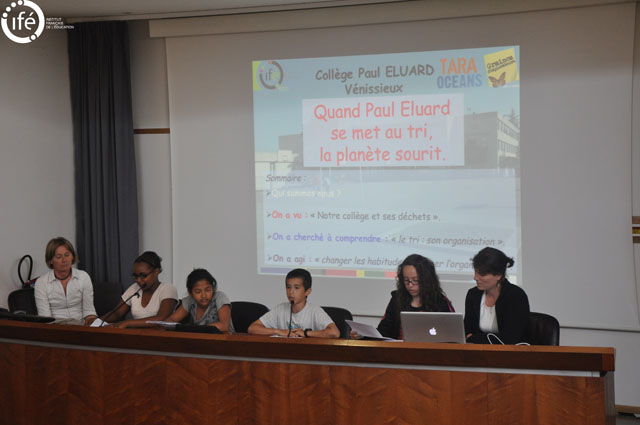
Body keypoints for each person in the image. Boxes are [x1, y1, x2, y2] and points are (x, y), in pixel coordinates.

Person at [371, 254, 454, 340]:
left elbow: (452, 333)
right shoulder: (396, 299)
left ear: (426, 280)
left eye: (415, 280)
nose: (410, 285)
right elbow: (383, 332)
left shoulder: (441, 302)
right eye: (406, 280)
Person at [464, 247, 530, 344]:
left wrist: (474, 338)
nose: (475, 277)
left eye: (482, 274)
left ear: (498, 275)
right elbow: (466, 332)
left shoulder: (516, 296)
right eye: (475, 272)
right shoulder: (473, 295)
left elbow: (509, 339)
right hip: (479, 351)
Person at [248, 268, 339, 338]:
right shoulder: (280, 309)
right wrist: (279, 331)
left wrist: (306, 333)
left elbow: (334, 333)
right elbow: (252, 328)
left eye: (296, 288)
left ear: (307, 291)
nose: (291, 292)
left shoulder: (315, 311)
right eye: (288, 287)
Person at [105, 251, 178, 328]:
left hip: (158, 334)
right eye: (135, 276)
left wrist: (127, 323)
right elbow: (117, 313)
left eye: (143, 276)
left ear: (156, 272)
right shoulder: (134, 288)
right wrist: (98, 321)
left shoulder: (167, 289)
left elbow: (161, 319)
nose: (138, 280)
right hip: (136, 334)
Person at [34, 237, 97, 325]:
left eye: (67, 255)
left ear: (72, 256)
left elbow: (89, 310)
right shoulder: (41, 283)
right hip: (56, 328)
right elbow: (45, 319)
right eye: (58, 257)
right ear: (51, 260)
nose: (64, 260)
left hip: (81, 326)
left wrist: (92, 322)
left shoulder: (83, 277)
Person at [164, 268, 233, 332]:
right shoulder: (190, 300)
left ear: (213, 288)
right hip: (200, 338)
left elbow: (224, 326)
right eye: (198, 291)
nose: (203, 295)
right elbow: (171, 320)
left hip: (225, 339)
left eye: (208, 290)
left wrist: (196, 329)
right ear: (190, 292)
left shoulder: (220, 297)